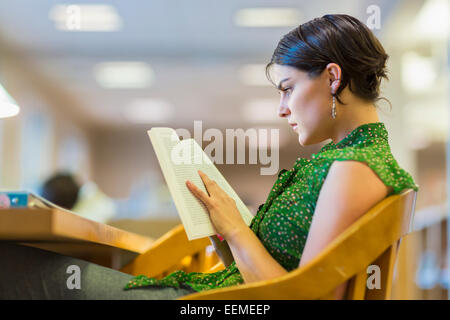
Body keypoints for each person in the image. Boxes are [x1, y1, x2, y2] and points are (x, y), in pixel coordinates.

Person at [0, 14, 419, 300]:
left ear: (332, 77)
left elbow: (300, 296)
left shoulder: (353, 168)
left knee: (18, 265)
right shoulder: (353, 161)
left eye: (288, 87)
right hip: (215, 296)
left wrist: (238, 230)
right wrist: (223, 230)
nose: (282, 108)